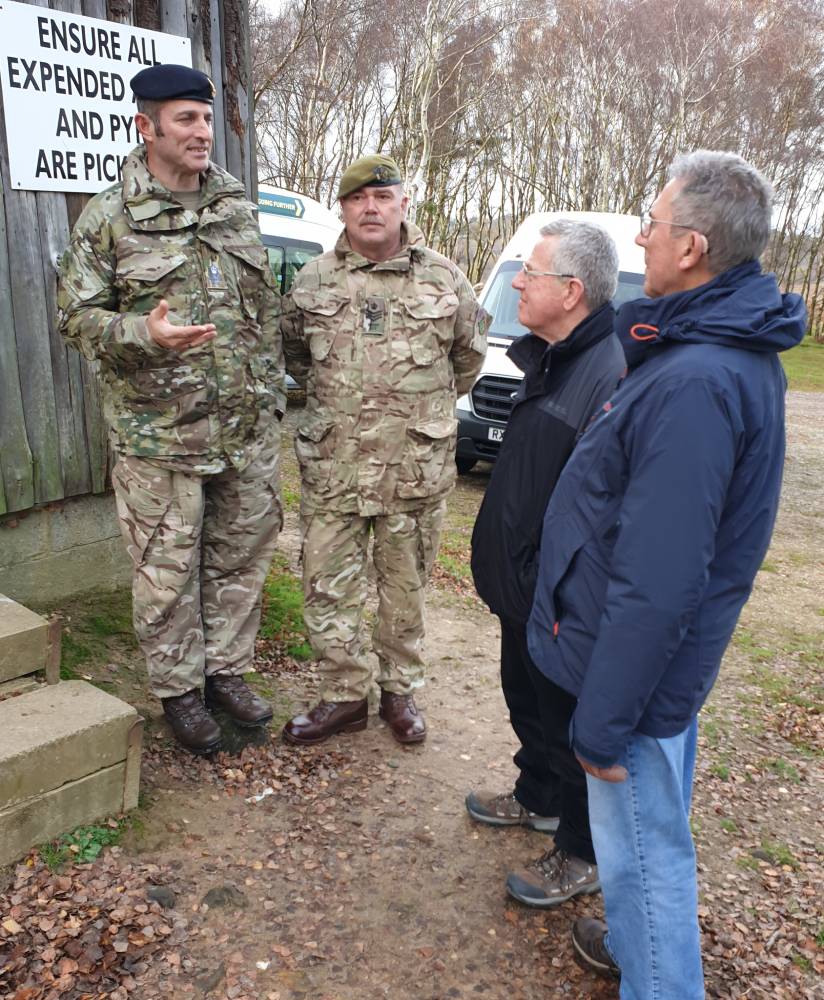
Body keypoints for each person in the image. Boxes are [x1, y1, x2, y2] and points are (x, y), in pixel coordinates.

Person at [526, 151, 806, 996]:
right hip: (643, 667)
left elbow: (662, 577)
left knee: (647, 854)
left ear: (690, 247)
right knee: (645, 843)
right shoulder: (706, 346)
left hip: (636, 682)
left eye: (651, 222)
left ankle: (658, 975)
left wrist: (605, 721)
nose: (640, 237)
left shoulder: (698, 378)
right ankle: (638, 945)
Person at [58, 64, 285, 756]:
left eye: (207, 119)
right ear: (145, 126)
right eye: (185, 119)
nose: (202, 133)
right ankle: (179, 692)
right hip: (159, 437)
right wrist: (142, 334)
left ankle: (226, 673)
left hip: (243, 432)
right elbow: (74, 318)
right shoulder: (111, 217)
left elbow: (260, 311)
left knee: (239, 561)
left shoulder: (234, 206)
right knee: (167, 571)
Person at [281, 154, 487, 746]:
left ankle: (400, 691)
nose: (370, 207)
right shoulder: (313, 280)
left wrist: (411, 411)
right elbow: (297, 358)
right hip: (335, 466)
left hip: (411, 469)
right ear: (343, 208)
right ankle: (343, 696)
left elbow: (467, 361)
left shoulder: (444, 278)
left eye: (383, 196)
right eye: (357, 198)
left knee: (405, 587)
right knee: (327, 584)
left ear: (403, 203)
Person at [467, 220, 625, 907]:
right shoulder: (552, 355)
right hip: (522, 586)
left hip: (556, 596)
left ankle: (582, 853)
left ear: (572, 290)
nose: (520, 284)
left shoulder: (608, 371)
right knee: (523, 699)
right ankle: (537, 797)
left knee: (566, 725)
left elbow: (598, 510)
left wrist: (552, 588)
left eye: (532, 273)